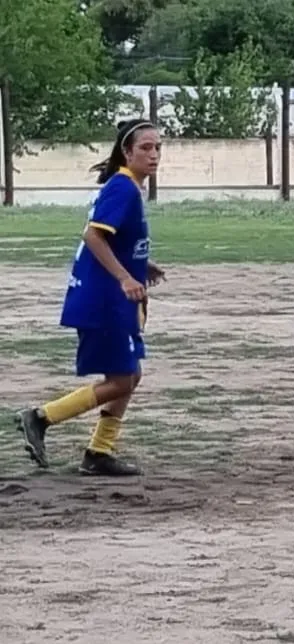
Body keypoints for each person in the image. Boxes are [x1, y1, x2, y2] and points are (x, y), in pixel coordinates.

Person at [16, 119, 166, 477]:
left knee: (130, 375)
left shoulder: (127, 187)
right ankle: (40, 418)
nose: (154, 154)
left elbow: (112, 240)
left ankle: (99, 452)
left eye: (158, 147)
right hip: (104, 301)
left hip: (112, 299)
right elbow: (93, 237)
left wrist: (142, 264)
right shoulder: (123, 188)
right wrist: (126, 277)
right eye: (145, 147)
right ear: (126, 152)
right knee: (121, 380)